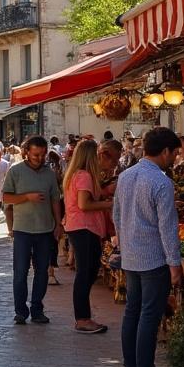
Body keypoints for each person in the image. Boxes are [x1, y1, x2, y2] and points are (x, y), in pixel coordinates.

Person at [113, 126, 184, 367]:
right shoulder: (161, 182)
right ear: (164, 151)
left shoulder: (126, 176)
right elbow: (167, 227)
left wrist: (123, 241)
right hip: (154, 258)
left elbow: (117, 215)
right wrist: (174, 263)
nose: (175, 158)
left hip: (131, 255)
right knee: (149, 315)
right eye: (174, 153)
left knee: (132, 311)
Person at [2, 136, 64, 324]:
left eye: (43, 154)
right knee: (20, 271)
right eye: (36, 154)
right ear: (26, 152)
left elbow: (55, 199)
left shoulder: (49, 174)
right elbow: (6, 197)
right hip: (23, 229)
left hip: (45, 229)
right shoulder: (15, 171)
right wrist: (27, 197)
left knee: (42, 271)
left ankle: (37, 308)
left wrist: (58, 223)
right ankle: (20, 311)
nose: (40, 158)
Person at [63, 139, 113, 334]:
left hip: (80, 227)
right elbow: (84, 204)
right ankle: (82, 318)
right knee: (86, 272)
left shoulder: (75, 174)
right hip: (84, 227)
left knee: (87, 271)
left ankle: (83, 317)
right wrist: (110, 204)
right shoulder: (83, 176)